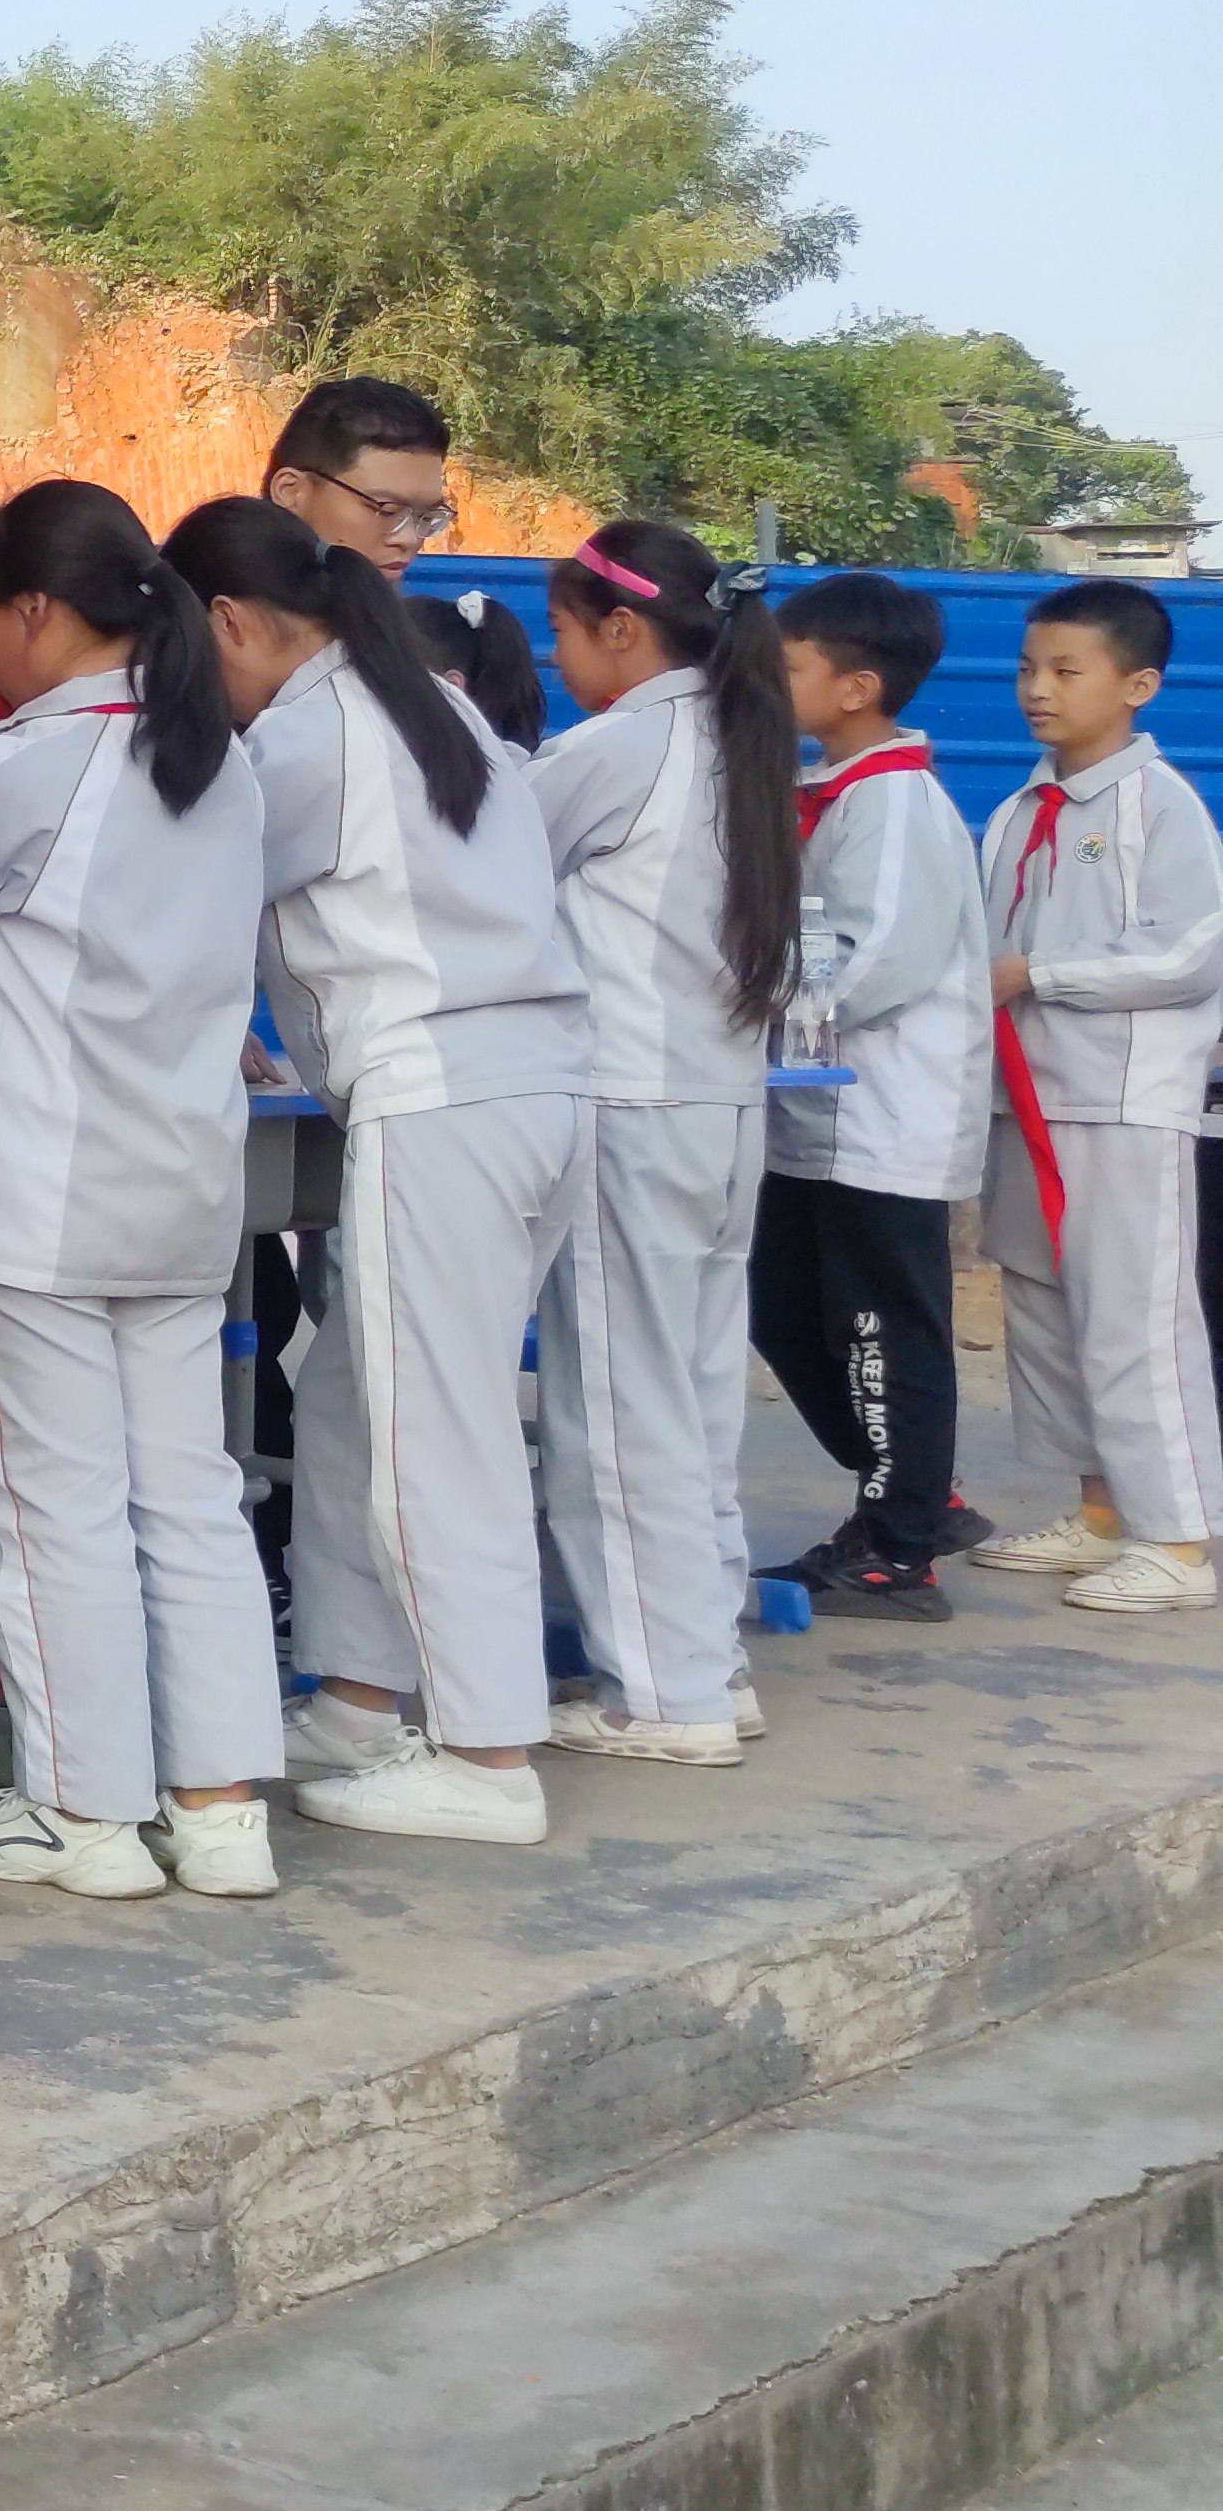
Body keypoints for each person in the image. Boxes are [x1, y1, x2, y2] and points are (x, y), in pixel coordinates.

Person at [162, 496, 588, 1846]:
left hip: (441, 1092)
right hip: (528, 1084)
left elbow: (179, 891)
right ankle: (356, 1701)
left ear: (227, 622)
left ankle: (486, 1756)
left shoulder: (305, 736)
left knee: (431, 1433)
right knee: (356, 1402)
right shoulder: (429, 709)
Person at [0, 484, 278, 1902]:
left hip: (27, 1188)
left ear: (34, 610)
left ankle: (81, 1812)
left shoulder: (33, 763)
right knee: (186, 1498)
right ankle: (220, 1811)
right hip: (177, 1184)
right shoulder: (214, 761)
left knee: (49, 1510)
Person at [530, 527, 800, 1758]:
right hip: (718, 1106)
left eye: (561, 630)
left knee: (615, 1410)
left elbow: (484, 861)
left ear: (620, 629)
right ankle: (707, 1660)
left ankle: (662, 1695)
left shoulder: (617, 746)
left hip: (627, 1105)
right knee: (689, 1403)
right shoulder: (737, 741)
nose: (554, 655)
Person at [955, 584, 1223, 1609]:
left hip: (1118, 1102)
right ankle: (1101, 1513)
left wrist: (1037, 974)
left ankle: (1181, 1542)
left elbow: (1190, 956)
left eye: (1066, 671)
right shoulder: (1019, 811)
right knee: (1043, 1310)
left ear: (1138, 685)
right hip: (1022, 1100)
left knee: (1132, 1320)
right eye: (1029, 668)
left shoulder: (1160, 806)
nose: (1038, 689)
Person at [754, 574, 993, 1617]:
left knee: (879, 1332)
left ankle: (901, 1551)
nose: (767, 680)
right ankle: (913, 1496)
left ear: (856, 688)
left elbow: (872, 961)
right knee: (781, 1306)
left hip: (882, 1117)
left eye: (787, 666)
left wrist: (745, 1005)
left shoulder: (894, 804)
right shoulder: (840, 791)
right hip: (816, 1112)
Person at [264, 374, 542, 742]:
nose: (409, 539)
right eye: (386, 508)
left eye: (427, 517)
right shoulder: (205, 638)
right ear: (290, 491)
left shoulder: (416, 679)